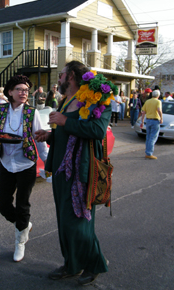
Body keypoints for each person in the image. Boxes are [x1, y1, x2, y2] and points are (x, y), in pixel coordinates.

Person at [35, 61, 111, 286]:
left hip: (81, 172)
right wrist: (49, 135)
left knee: (79, 222)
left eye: (61, 75)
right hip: (60, 170)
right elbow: (65, 132)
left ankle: (94, 264)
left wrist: (65, 121)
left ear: (71, 77)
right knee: (64, 221)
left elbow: (97, 131)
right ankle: (72, 264)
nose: (58, 79)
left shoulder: (96, 100)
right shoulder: (65, 100)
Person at [0, 75, 48, 262]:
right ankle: (24, 225)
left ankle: (19, 243)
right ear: (10, 92)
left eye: (26, 90)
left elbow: (39, 140)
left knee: (23, 204)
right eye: (19, 89)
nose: (24, 93)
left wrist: (47, 163)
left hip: (26, 163)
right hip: (7, 162)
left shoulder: (32, 113)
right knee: (3, 204)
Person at [140, 90, 163, 160]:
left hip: (148, 120)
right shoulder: (158, 101)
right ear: (158, 96)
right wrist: (161, 118)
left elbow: (143, 112)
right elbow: (159, 110)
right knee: (153, 137)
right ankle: (149, 153)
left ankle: (147, 151)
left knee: (148, 137)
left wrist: (142, 121)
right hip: (155, 120)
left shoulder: (147, 101)